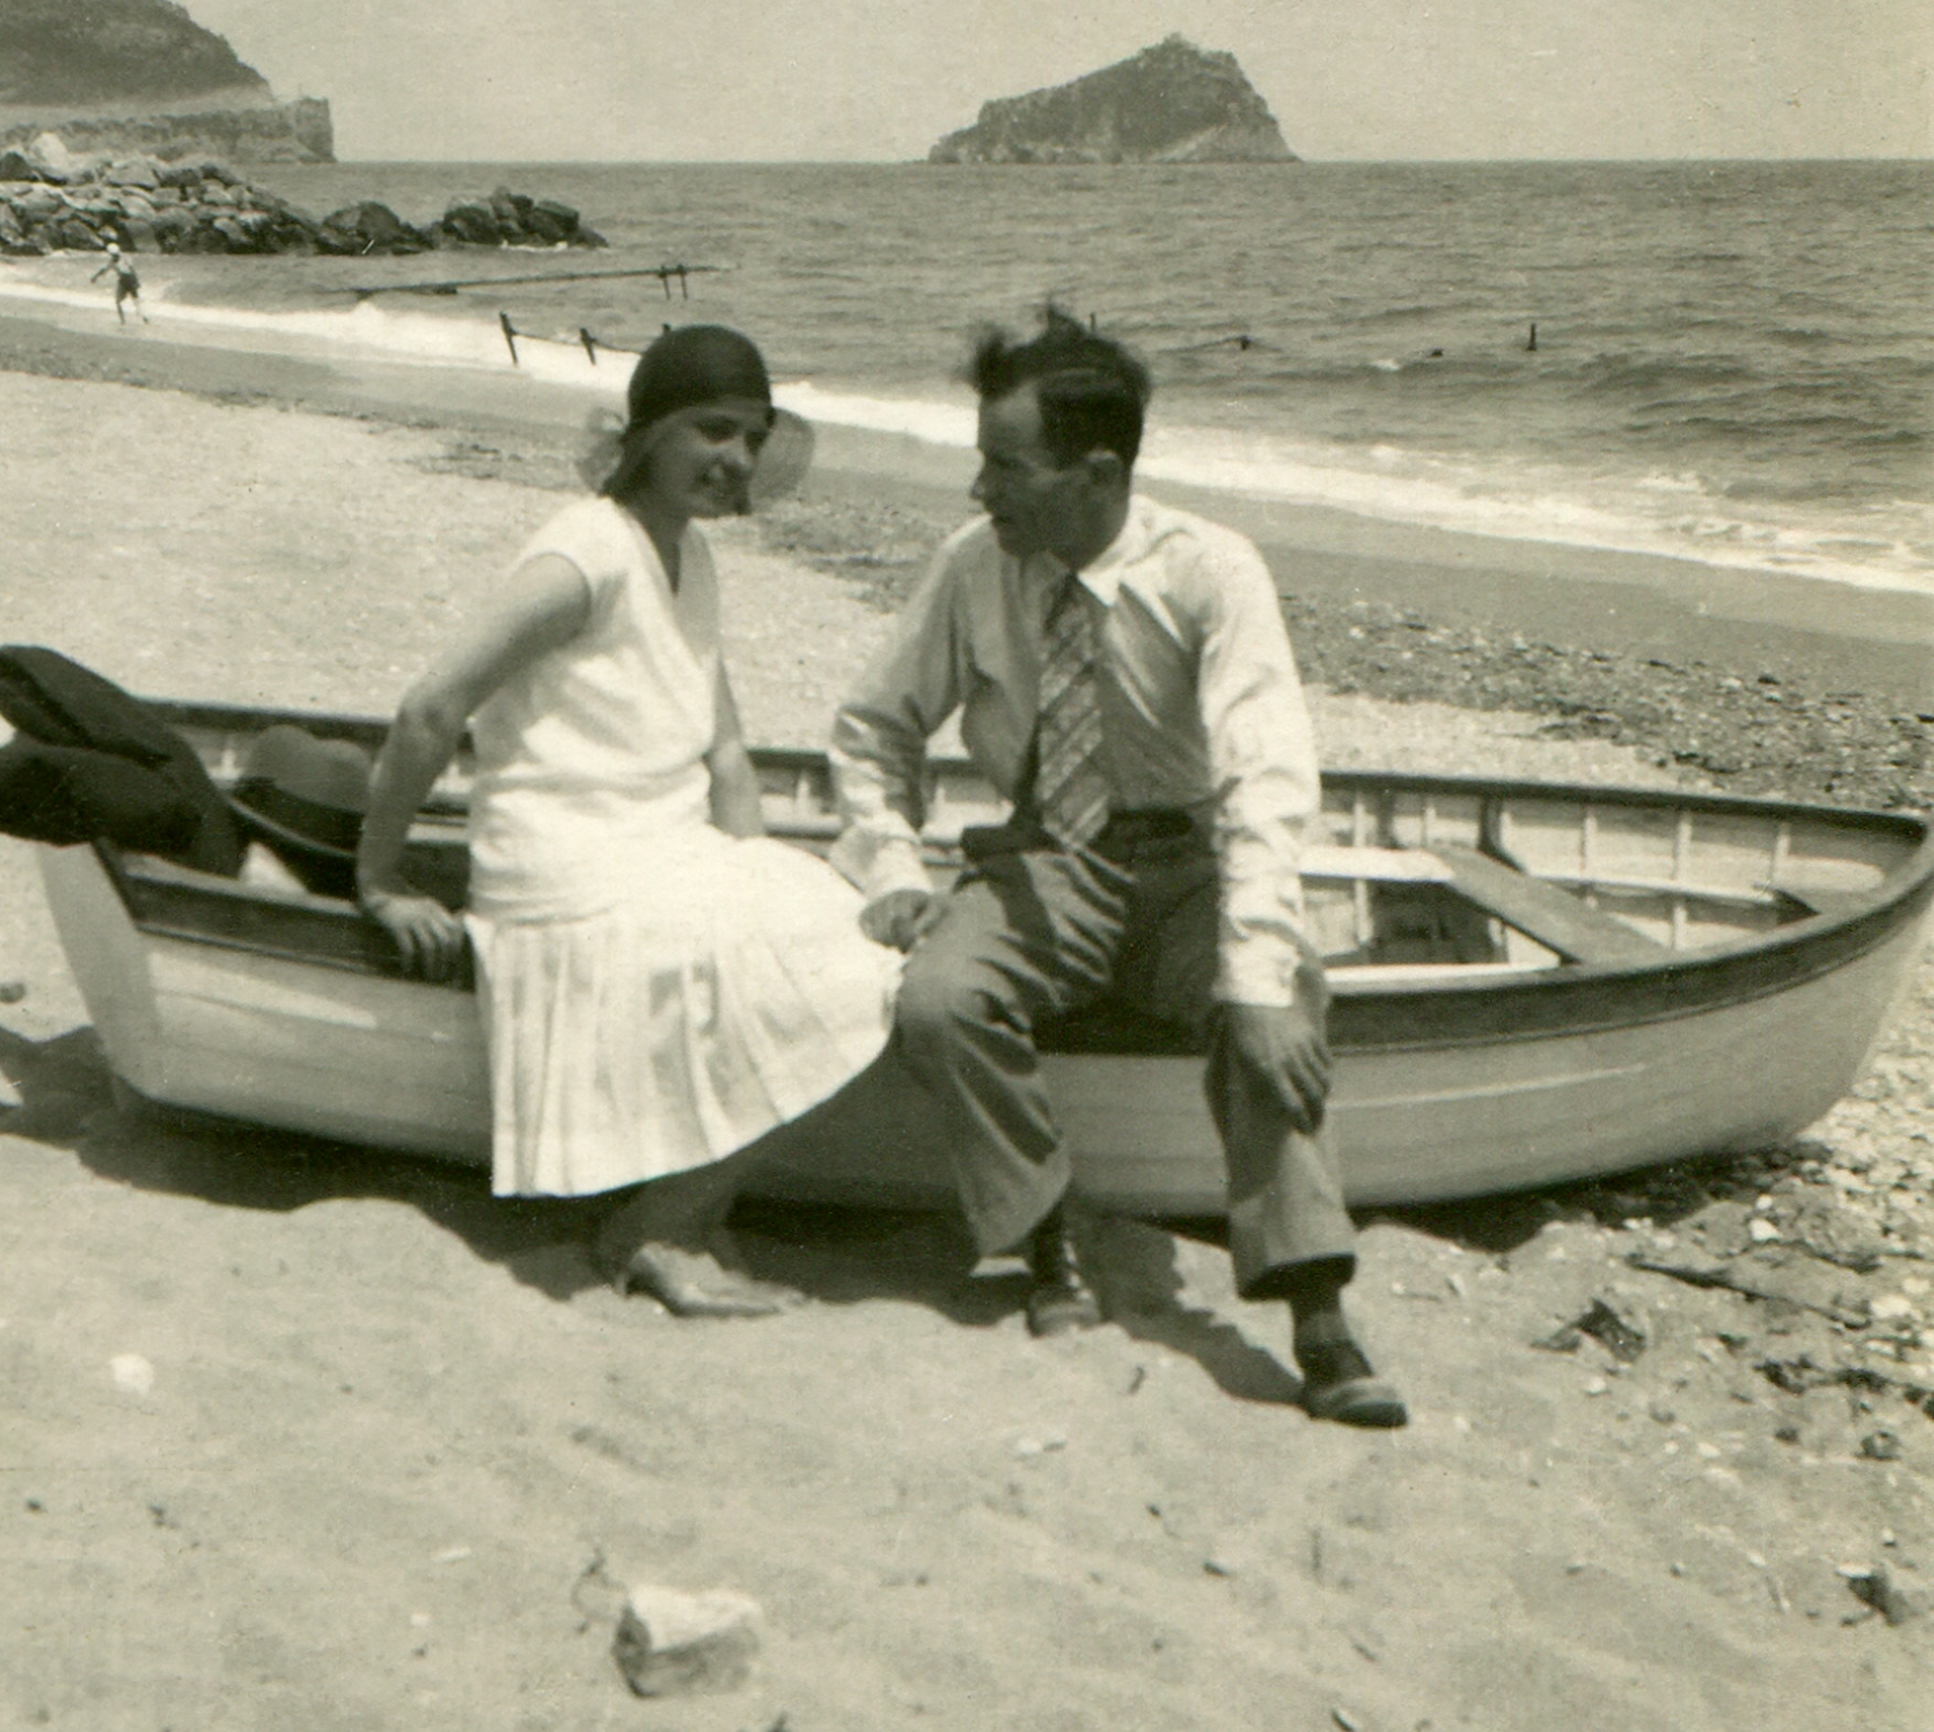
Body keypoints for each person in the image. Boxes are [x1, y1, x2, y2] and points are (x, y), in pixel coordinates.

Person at [829, 307, 1406, 1428]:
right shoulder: (972, 568)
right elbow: (871, 726)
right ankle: (1045, 1236)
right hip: (1046, 852)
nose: (977, 490)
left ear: (1095, 474)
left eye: (1002, 466)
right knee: (942, 1001)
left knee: (1275, 1002)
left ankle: (1315, 1308)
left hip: (1188, 857)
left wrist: (1250, 981)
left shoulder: (1210, 571)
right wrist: (891, 865)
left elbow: (1263, 779)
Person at [354, 325, 898, 1316]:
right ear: (647, 434)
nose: (733, 458)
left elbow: (725, 752)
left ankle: (682, 1197)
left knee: (842, 934)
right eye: (712, 430)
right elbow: (430, 708)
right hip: (565, 865)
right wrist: (380, 880)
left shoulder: (690, 558)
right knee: (857, 972)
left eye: (751, 438)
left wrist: (757, 895)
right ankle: (654, 1227)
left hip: (660, 848)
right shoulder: (584, 552)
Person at [91, 237, 145, 325]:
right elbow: (131, 269)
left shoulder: (115, 260)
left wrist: (95, 277)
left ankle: (130, 320)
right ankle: (133, 319)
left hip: (126, 280)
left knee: (126, 301)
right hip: (127, 280)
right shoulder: (120, 258)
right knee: (130, 301)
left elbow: (104, 270)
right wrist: (95, 277)